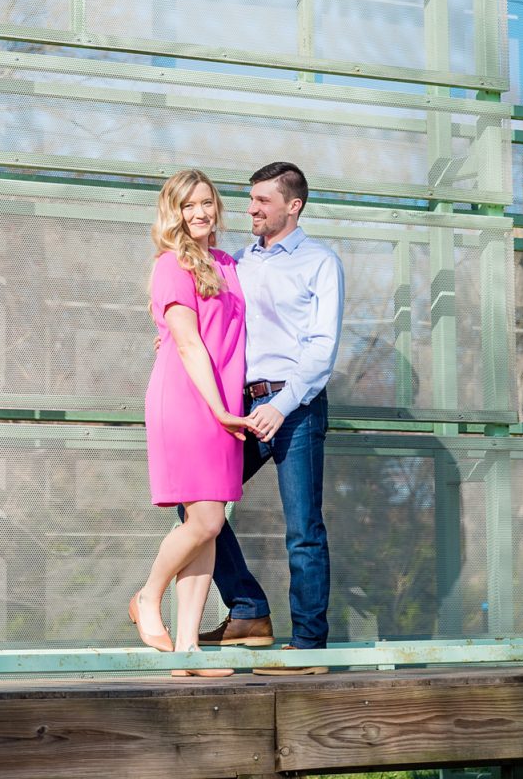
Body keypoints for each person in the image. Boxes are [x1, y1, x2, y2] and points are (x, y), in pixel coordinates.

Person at [199, 161, 345, 675]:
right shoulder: (238, 262)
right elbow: (215, 321)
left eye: (262, 200)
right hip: (242, 406)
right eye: (251, 199)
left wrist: (280, 408)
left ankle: (309, 648)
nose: (251, 209)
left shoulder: (319, 262)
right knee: (197, 505)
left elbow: (322, 349)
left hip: (296, 406)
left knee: (303, 528)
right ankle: (248, 609)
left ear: (293, 205)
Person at [129, 169, 253, 678]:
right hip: (188, 400)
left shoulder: (227, 262)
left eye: (206, 202)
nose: (200, 212)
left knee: (207, 527)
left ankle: (187, 651)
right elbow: (186, 341)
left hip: (223, 402)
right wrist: (221, 408)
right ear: (173, 213)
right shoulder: (170, 264)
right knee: (205, 521)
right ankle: (147, 595)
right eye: (189, 206)